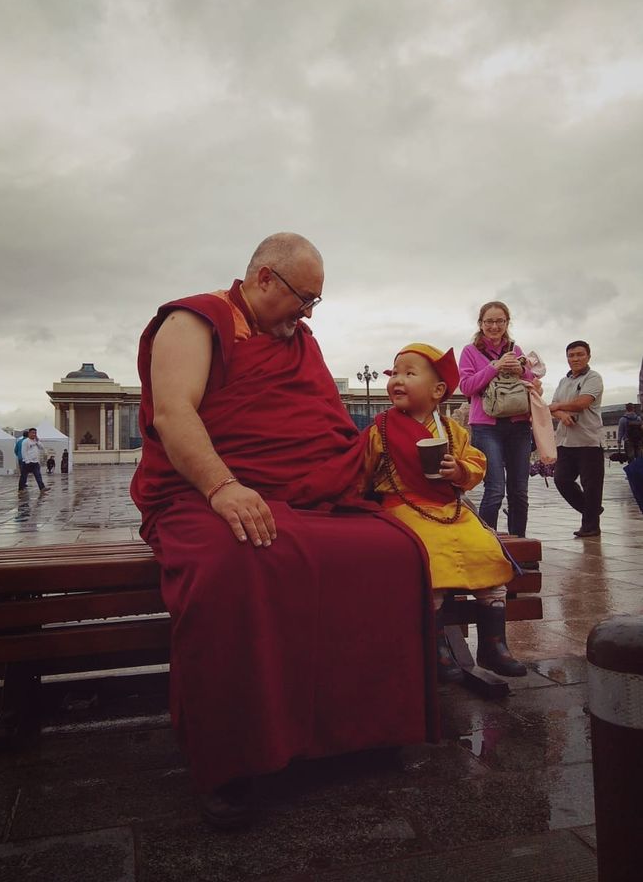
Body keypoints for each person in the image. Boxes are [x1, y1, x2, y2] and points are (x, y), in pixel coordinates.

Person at [130, 232, 437, 828]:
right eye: (304, 298)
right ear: (265, 278)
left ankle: (365, 732)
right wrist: (223, 487)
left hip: (302, 490)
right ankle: (234, 759)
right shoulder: (197, 321)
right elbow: (173, 412)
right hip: (202, 490)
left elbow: (324, 428)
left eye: (315, 303)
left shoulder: (300, 342)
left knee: (391, 549)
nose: (308, 314)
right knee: (236, 561)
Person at [361, 343, 526, 683]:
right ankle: (436, 649)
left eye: (409, 373)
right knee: (428, 558)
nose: (397, 380)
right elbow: (360, 470)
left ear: (438, 391)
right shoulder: (381, 428)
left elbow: (476, 464)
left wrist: (459, 470)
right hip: (403, 507)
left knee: (487, 551)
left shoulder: (452, 431)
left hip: (451, 510)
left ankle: (494, 645)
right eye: (395, 373)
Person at [458, 301, 535, 537]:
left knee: (519, 490)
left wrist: (522, 371)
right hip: (486, 425)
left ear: (507, 323)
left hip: (518, 423)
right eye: (489, 321)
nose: (494, 326)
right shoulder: (469, 352)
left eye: (499, 321)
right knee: (495, 489)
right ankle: (487, 542)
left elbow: (530, 381)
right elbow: (466, 386)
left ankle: (520, 543)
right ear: (480, 324)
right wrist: (495, 367)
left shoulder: (516, 349)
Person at [549, 341, 604, 538]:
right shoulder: (564, 382)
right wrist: (561, 415)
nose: (575, 359)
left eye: (580, 354)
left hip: (588, 440)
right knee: (561, 480)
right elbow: (552, 407)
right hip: (565, 441)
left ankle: (590, 526)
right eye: (571, 355)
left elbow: (582, 403)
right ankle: (592, 511)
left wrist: (557, 408)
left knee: (591, 486)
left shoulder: (593, 378)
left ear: (588, 356)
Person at [19, 428, 48, 492]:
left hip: (35, 462)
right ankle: (21, 488)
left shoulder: (35, 441)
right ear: (29, 433)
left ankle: (42, 488)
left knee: (38, 475)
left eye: (35, 433)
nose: (34, 434)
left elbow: (42, 448)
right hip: (27, 462)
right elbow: (23, 452)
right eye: (32, 433)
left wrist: (38, 441)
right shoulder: (26, 441)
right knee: (23, 476)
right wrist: (27, 461)